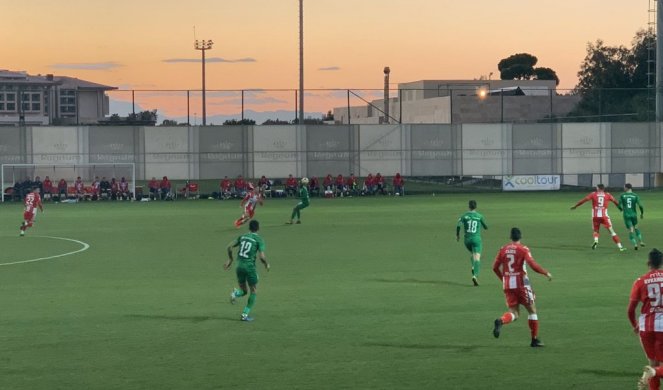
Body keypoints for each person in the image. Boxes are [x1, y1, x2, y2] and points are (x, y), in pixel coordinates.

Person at [492, 227, 552, 348]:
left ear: (510, 237)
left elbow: (495, 267)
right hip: (521, 284)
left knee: (514, 313)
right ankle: (534, 340)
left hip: (508, 284)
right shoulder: (523, 249)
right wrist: (545, 272)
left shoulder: (503, 249)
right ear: (520, 237)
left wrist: (504, 279)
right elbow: (532, 264)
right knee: (532, 311)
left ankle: (501, 321)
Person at [628, 249, 663, 389]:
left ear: (648, 262)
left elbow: (630, 310)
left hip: (646, 327)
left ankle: (653, 371)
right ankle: (655, 371)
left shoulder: (640, 281)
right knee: (655, 369)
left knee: (652, 363)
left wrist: (635, 325)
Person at [224, 219, 270, 322]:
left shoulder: (242, 236)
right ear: (258, 228)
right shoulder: (259, 240)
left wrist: (230, 259)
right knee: (253, 291)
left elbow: (229, 246)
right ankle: (244, 314)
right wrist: (266, 264)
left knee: (244, 291)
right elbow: (262, 257)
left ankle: (235, 294)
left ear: (249, 228)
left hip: (239, 266)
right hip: (249, 267)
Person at [571, 183, 625, 251]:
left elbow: (584, 200)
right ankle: (620, 247)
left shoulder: (593, 194)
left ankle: (596, 240)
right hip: (604, 217)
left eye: (596, 187)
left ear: (598, 188)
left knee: (596, 231)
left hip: (595, 216)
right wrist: (621, 209)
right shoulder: (608, 195)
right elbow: (616, 202)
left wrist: (576, 206)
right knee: (612, 232)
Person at [456, 200, 488, 286]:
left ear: (469, 206)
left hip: (467, 240)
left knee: (473, 254)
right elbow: (486, 227)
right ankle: (475, 276)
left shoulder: (464, 216)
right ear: (476, 207)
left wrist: (457, 235)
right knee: (477, 258)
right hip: (476, 239)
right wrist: (481, 224)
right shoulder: (479, 216)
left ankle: (473, 266)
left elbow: (458, 225)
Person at [619, 183, 645, 250]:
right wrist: (642, 213)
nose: (623, 188)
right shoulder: (635, 195)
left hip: (626, 215)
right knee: (636, 227)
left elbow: (619, 205)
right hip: (634, 215)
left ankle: (635, 244)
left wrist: (621, 209)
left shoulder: (622, 195)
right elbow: (641, 206)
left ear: (627, 188)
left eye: (624, 187)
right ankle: (641, 241)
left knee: (631, 230)